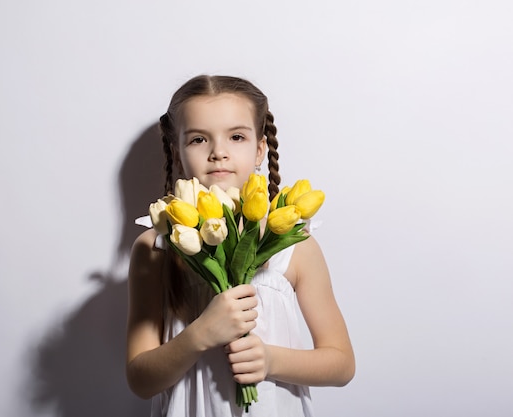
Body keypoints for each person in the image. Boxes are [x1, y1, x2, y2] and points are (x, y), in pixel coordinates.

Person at [126, 75, 355, 416]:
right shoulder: (157, 248)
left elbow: (341, 364)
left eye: (236, 137)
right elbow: (140, 379)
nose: (219, 152)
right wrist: (200, 334)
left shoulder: (294, 245)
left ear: (260, 148)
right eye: (199, 139)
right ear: (177, 151)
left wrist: (270, 359)